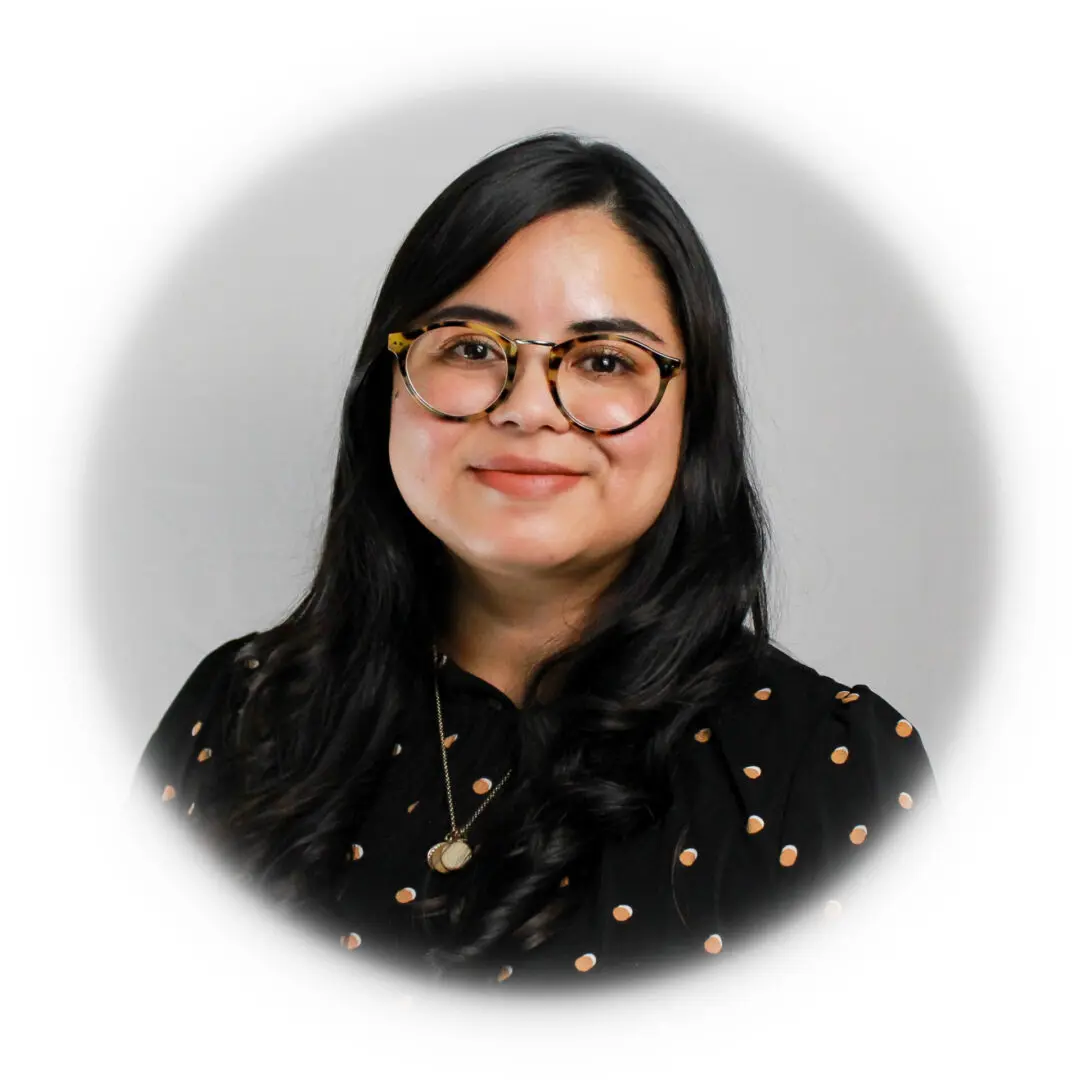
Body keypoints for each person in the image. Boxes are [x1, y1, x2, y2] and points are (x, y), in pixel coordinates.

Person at [136, 131, 935, 990]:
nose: (527, 410)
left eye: (602, 360)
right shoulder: (236, 712)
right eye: (472, 348)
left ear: (693, 422)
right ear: (387, 391)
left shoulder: (827, 770)